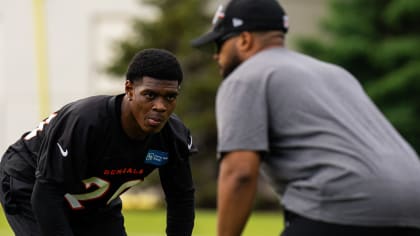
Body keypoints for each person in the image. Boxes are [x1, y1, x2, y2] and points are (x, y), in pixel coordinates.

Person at [191, 0, 420, 235]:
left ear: (244, 40)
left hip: (343, 203)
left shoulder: (245, 77)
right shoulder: (337, 74)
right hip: (414, 205)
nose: (215, 56)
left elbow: (240, 173)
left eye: (218, 44)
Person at [0, 48, 196, 236]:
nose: (160, 106)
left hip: (92, 196)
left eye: (170, 97)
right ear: (129, 89)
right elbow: (46, 194)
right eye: (150, 95)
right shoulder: (86, 123)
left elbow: (181, 199)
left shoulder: (173, 136)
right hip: (31, 180)